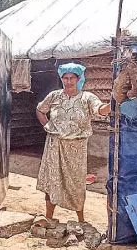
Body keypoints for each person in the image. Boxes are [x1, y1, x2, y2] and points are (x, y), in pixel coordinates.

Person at [35, 63, 110, 225]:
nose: (68, 81)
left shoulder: (87, 97)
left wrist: (111, 106)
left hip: (76, 147)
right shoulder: (54, 96)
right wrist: (47, 125)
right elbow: (40, 109)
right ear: (61, 79)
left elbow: (100, 109)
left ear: (78, 79)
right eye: (65, 78)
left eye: (72, 78)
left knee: (76, 182)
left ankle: (81, 220)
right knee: (52, 180)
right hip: (54, 145)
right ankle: (49, 217)